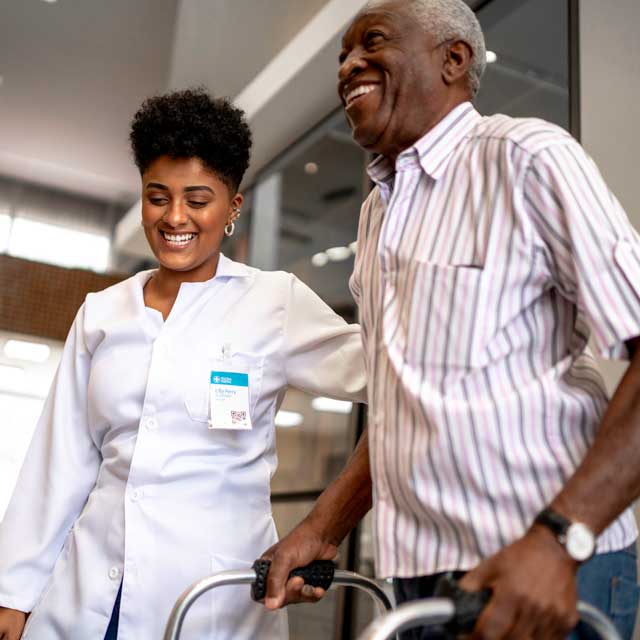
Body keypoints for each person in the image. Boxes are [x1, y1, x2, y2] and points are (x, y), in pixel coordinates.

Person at [260, 1, 640, 638]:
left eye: (370, 43)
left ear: (454, 59)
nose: (348, 64)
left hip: (543, 569)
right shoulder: (378, 211)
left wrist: (558, 541)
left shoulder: (525, 158)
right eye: (342, 56)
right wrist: (323, 527)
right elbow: (402, 409)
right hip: (420, 575)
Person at [0, 88, 366, 640]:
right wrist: (13, 594)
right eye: (157, 196)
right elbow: (59, 462)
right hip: (88, 591)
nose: (175, 218)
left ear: (232, 206)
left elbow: (394, 378)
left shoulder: (274, 302)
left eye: (198, 200)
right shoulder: (103, 312)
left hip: (210, 596)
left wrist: (324, 525)